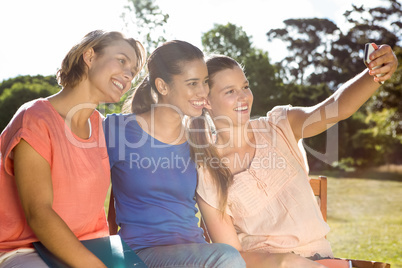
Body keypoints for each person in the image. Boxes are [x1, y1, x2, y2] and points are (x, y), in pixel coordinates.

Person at [191, 45, 398, 267]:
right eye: (230, 91)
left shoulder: (280, 125)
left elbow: (337, 108)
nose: (244, 97)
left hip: (323, 261)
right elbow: (232, 257)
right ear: (206, 102)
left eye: (245, 86)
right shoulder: (208, 173)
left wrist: (375, 73)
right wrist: (285, 262)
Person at [0, 30, 146, 268]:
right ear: (89, 56)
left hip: (93, 246)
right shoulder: (35, 118)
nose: (128, 75)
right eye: (122, 60)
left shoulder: (99, 125)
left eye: (133, 71)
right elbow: (39, 212)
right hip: (25, 251)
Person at [104, 40, 246, 268]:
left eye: (205, 82)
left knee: (228, 256)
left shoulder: (199, 139)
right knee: (227, 257)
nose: (203, 92)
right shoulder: (117, 131)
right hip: (140, 255)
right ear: (162, 86)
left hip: (196, 254)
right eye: (193, 84)